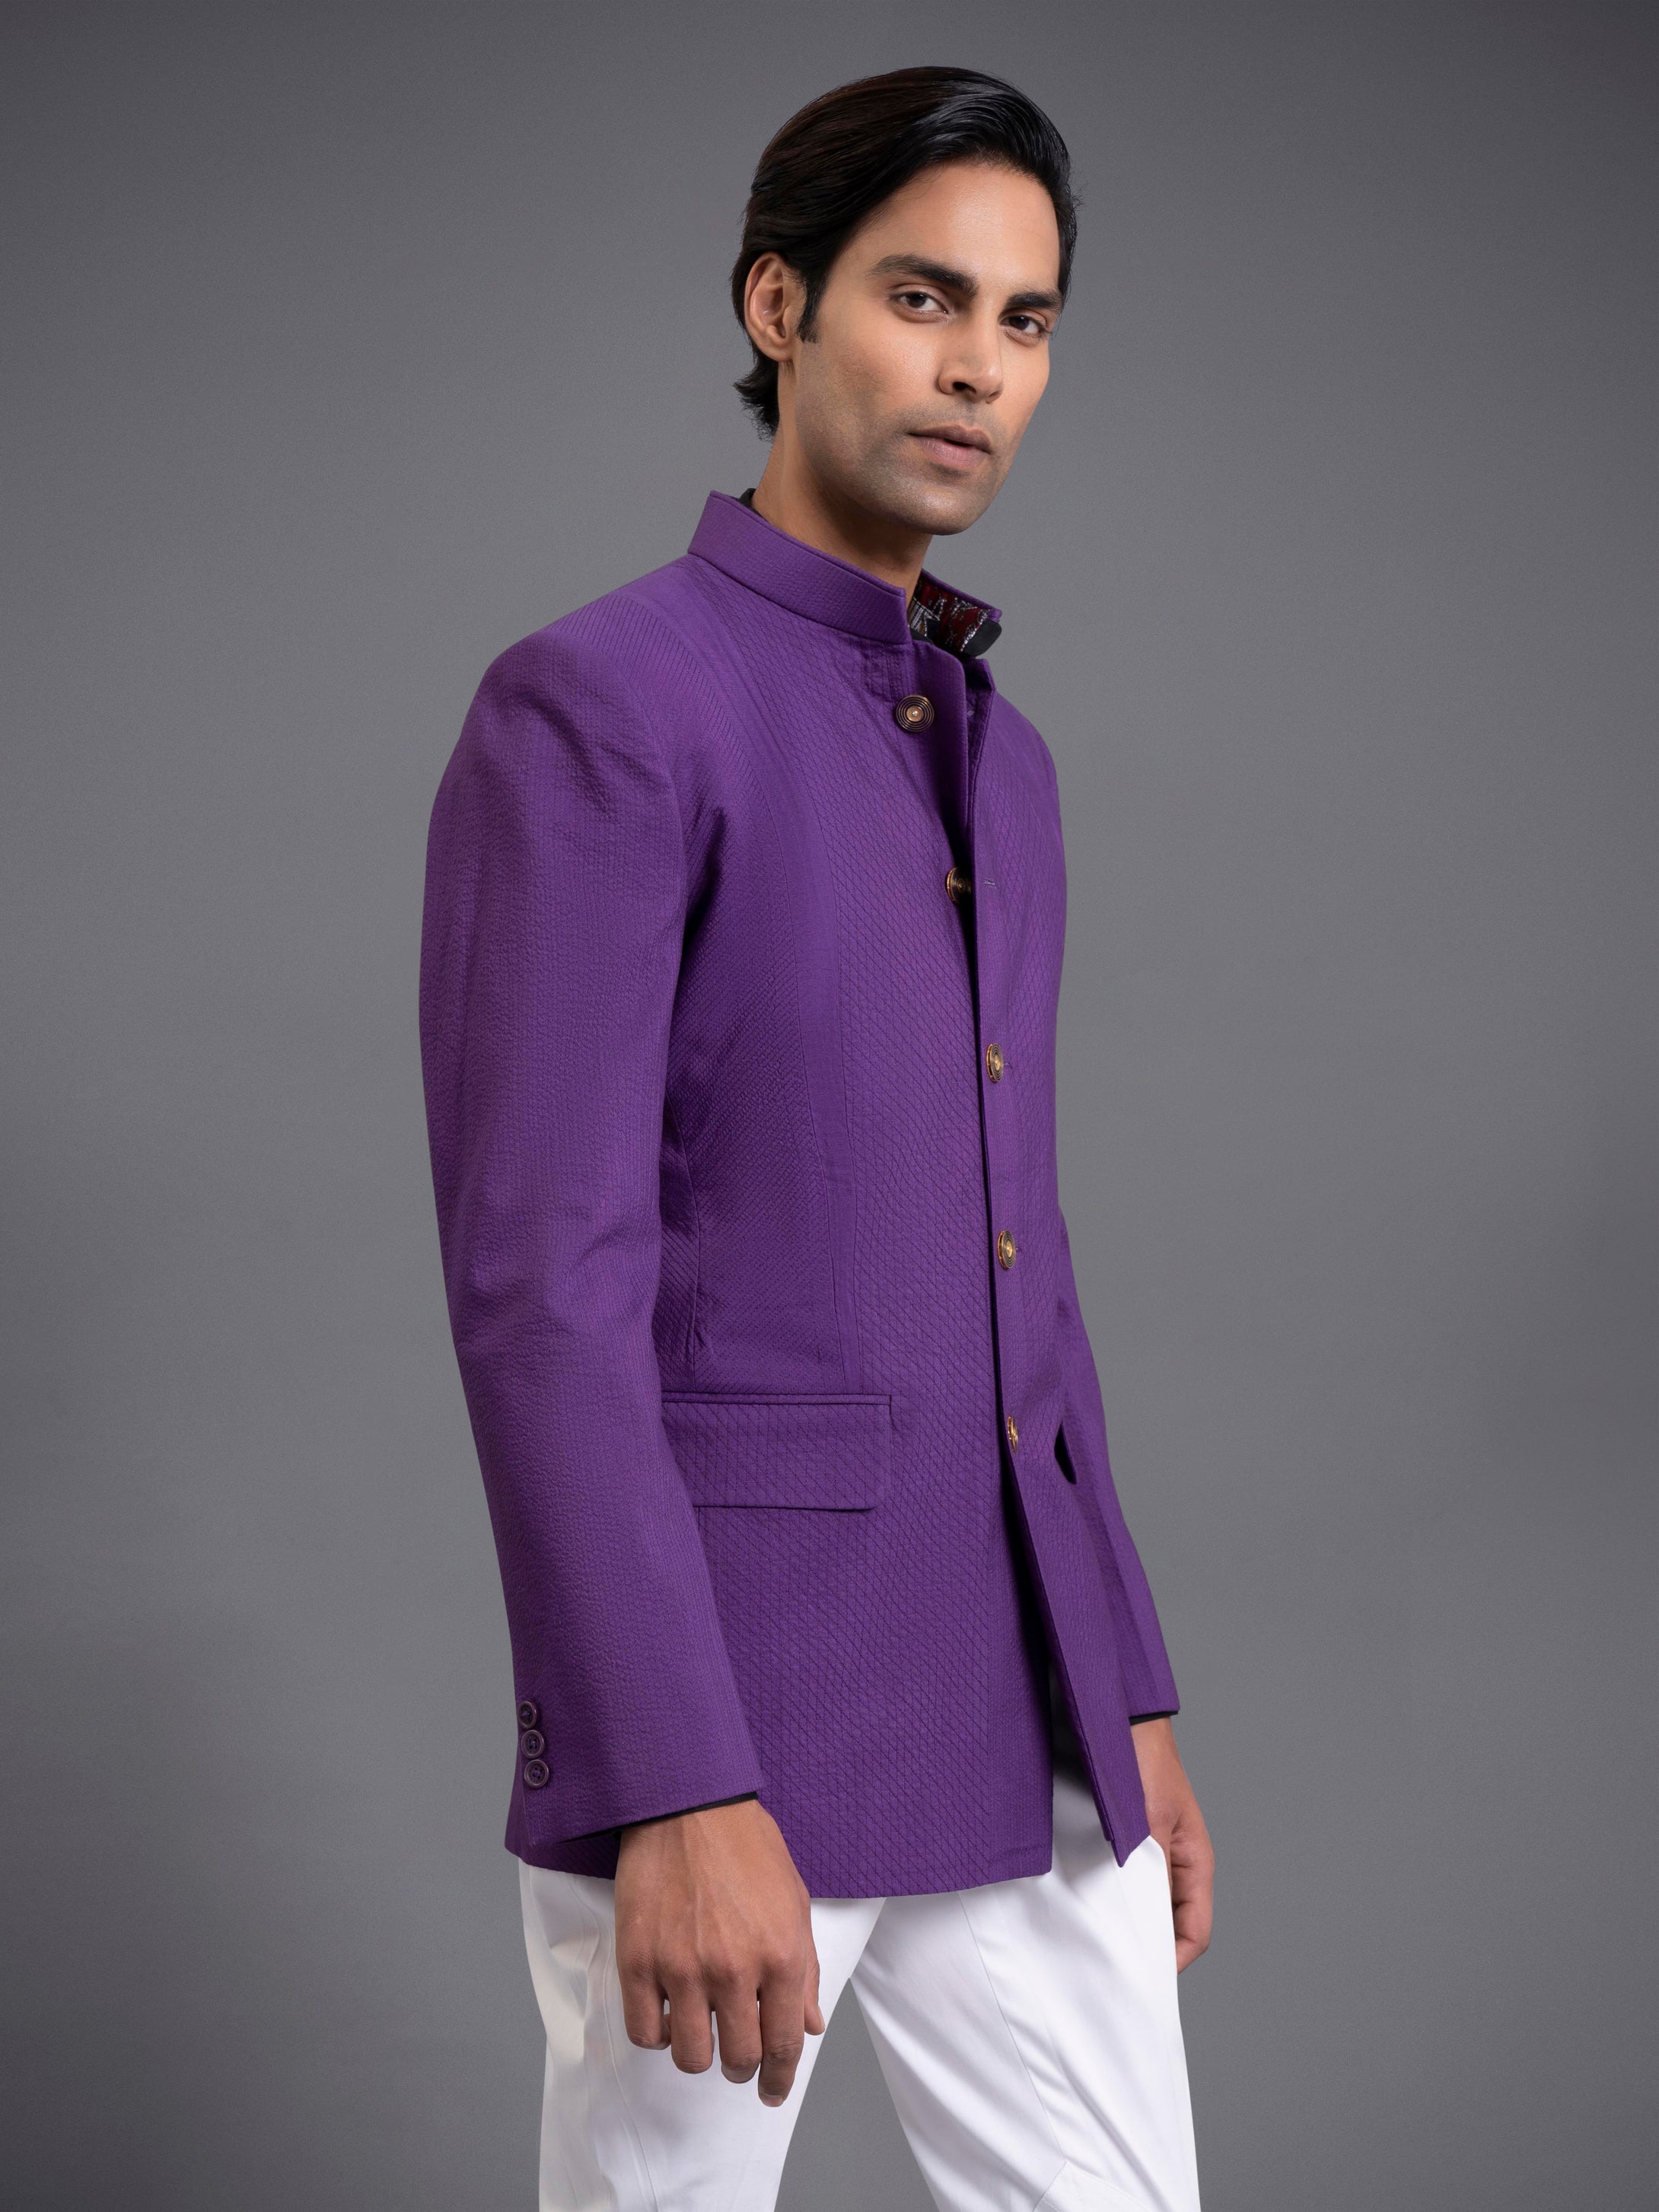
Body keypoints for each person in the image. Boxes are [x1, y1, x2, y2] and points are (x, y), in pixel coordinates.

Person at [419, 64, 1214, 2212]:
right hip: (732, 1720)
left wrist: (1126, 1685)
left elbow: (1019, 1260)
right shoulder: (601, 705)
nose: (977, 368)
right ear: (780, 304)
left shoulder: (1002, 762)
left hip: (1024, 1714)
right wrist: (669, 1776)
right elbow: (539, 1289)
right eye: (920, 297)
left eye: (1025, 321)